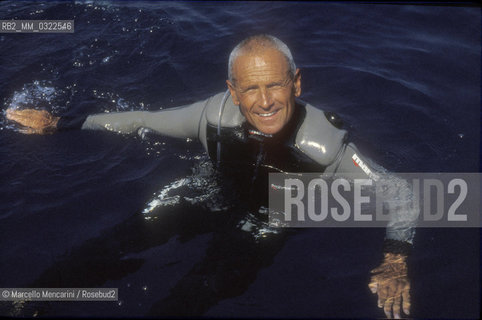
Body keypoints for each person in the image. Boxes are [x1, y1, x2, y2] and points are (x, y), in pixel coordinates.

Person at [5, 34, 416, 319]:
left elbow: (406, 196)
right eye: (251, 89)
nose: (266, 101)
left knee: (197, 292)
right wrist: (61, 123)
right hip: (209, 192)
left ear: (297, 83)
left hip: (270, 221)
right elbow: (140, 120)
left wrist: (395, 258)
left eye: (275, 85)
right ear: (233, 91)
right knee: (114, 243)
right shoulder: (212, 115)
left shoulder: (327, 148)